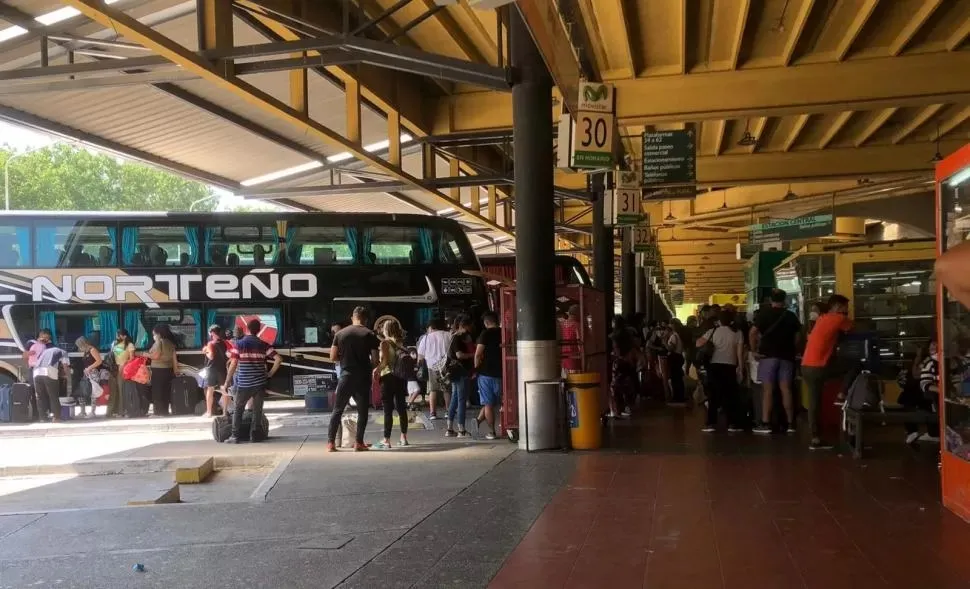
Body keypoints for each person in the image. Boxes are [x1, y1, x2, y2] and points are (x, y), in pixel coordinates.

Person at [800, 294, 853, 450]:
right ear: (837, 307)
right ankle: (842, 394)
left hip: (806, 366)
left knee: (814, 402)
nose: (846, 311)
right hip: (819, 366)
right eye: (845, 308)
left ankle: (815, 438)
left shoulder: (822, 319)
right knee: (855, 365)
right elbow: (853, 328)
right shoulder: (838, 318)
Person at [327, 307, 380, 452]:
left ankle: (331, 443)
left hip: (346, 375)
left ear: (353, 317)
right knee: (362, 411)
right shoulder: (370, 334)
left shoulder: (340, 334)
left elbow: (332, 357)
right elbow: (375, 360)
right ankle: (358, 443)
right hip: (363, 377)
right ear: (366, 319)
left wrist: (344, 359)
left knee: (337, 409)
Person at [750, 289, 801, 435]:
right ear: (784, 300)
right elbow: (798, 336)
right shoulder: (791, 316)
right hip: (787, 357)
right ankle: (791, 423)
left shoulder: (763, 314)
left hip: (768, 357)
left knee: (768, 390)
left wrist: (754, 350)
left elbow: (752, 332)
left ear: (770, 300)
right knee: (786, 389)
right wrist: (795, 350)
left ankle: (766, 423)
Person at [224, 319, 281, 444]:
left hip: (244, 383)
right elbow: (278, 359)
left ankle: (235, 436)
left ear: (247, 329)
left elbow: (233, 363)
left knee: (238, 409)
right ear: (259, 330)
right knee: (257, 410)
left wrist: (227, 381)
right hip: (260, 383)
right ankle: (255, 435)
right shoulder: (263, 344)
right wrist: (270, 373)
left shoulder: (238, 344)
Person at [696, 309, 745, 433]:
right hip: (730, 366)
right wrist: (740, 367)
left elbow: (698, 343)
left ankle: (711, 423)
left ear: (719, 320)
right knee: (731, 395)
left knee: (714, 395)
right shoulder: (738, 333)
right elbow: (740, 353)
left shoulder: (713, 331)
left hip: (714, 365)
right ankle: (732, 423)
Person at [375, 321, 410, 449]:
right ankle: (403, 437)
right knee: (401, 408)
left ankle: (387, 439)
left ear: (386, 330)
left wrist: (377, 369)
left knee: (387, 410)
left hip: (388, 377)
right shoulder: (401, 343)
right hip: (400, 378)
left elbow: (384, 362)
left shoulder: (384, 343)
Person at [445, 315, 475, 438]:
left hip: (454, 371)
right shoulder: (458, 338)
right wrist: (473, 354)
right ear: (465, 326)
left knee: (455, 399)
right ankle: (461, 429)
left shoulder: (454, 337)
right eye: (470, 326)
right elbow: (459, 355)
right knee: (461, 400)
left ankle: (449, 428)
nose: (471, 328)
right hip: (461, 371)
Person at [474, 311, 502, 440]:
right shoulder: (504, 332)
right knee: (497, 402)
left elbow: (478, 353)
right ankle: (478, 420)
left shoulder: (485, 334)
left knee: (488, 404)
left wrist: (476, 368)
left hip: (486, 373)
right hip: (503, 372)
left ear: (486, 322)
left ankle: (492, 432)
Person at [417, 318, 451, 420]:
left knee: (433, 390)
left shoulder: (426, 338)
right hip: (446, 365)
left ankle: (433, 413)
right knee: (446, 389)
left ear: (431, 327)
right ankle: (448, 411)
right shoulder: (448, 335)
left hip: (432, 366)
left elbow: (420, 356)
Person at [32, 342, 71, 422]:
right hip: (48, 370)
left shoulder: (44, 351)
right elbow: (65, 366)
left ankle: (42, 418)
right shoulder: (63, 352)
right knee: (53, 395)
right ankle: (56, 418)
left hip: (36, 372)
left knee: (40, 396)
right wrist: (67, 376)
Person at [147, 324, 179, 417]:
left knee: (157, 391)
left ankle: (158, 412)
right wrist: (176, 370)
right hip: (168, 370)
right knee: (165, 391)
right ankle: (165, 411)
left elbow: (156, 356)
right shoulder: (170, 343)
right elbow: (174, 358)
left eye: (154, 334)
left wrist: (145, 354)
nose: (153, 336)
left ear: (159, 334)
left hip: (158, 370)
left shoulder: (159, 342)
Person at [107, 329, 135, 418]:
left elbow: (132, 358)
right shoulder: (114, 344)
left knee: (121, 390)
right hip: (113, 369)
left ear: (124, 336)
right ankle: (111, 411)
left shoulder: (129, 345)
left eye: (119, 335)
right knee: (113, 390)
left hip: (122, 369)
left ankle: (122, 411)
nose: (117, 337)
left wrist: (124, 364)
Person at [202, 325, 229, 418]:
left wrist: (205, 350)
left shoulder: (210, 344)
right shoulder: (225, 343)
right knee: (224, 390)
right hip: (222, 369)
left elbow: (211, 356)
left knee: (210, 389)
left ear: (212, 333)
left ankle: (209, 412)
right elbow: (229, 354)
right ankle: (225, 412)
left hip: (212, 369)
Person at [75, 336, 103, 418]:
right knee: (82, 392)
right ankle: (82, 411)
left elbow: (99, 361)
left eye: (79, 346)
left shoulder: (92, 350)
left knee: (93, 393)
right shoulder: (86, 352)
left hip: (93, 373)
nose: (79, 348)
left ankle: (92, 412)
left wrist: (90, 368)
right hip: (87, 374)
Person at [664, 322, 686, 404]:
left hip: (675, 358)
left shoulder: (674, 336)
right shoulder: (678, 335)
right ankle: (680, 396)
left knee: (675, 378)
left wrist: (664, 343)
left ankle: (677, 397)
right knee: (678, 378)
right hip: (678, 357)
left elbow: (671, 348)